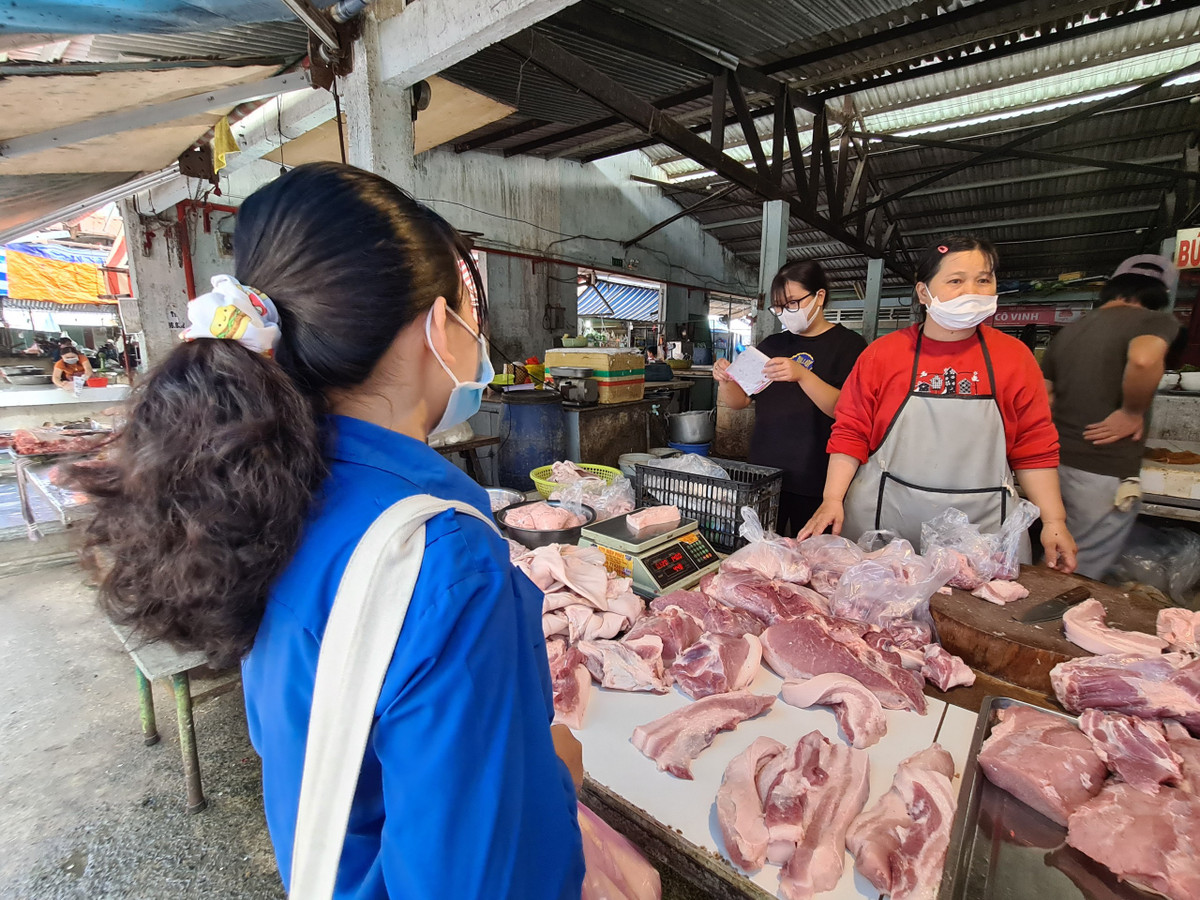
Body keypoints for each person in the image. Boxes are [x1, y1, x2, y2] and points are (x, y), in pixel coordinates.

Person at [72, 163, 585, 899]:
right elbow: (479, 880)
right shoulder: (443, 555)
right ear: (439, 326)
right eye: (473, 311)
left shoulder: (269, 493)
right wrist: (551, 777)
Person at [800, 235, 1077, 572]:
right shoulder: (883, 354)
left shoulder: (1014, 358)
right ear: (923, 292)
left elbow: (1034, 446)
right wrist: (831, 498)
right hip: (886, 521)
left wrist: (1054, 519)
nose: (971, 291)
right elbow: (851, 431)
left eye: (983, 280)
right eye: (956, 281)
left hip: (981, 530)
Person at [1042, 254, 1182, 580]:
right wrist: (1132, 412)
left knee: (1054, 547)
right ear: (1160, 294)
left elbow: (1044, 395)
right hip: (1103, 466)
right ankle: (1049, 625)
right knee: (1080, 563)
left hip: (1056, 463)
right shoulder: (1153, 321)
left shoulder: (1070, 330)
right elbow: (1145, 360)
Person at [713, 260, 866, 534]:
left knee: (806, 560)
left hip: (815, 477)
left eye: (793, 303)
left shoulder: (849, 345)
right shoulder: (772, 345)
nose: (785, 313)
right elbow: (740, 402)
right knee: (760, 554)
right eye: (779, 307)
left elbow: (843, 409)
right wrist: (726, 381)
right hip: (764, 475)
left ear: (819, 296)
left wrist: (803, 375)